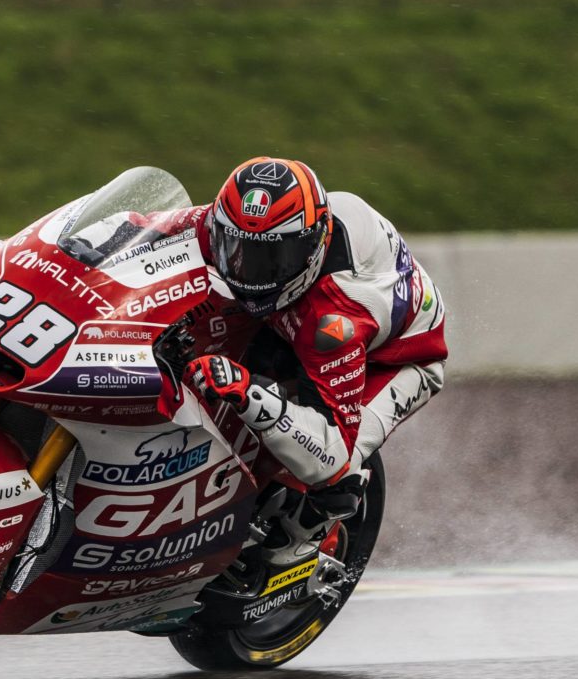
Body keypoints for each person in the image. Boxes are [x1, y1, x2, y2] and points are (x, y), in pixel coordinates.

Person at [179, 157, 448, 563]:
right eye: (238, 249)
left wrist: (248, 392)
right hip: (301, 315)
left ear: (312, 247)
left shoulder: (335, 320)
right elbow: (145, 228)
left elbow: (330, 454)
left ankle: (302, 541)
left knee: (339, 472)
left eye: (274, 259)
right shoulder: (229, 227)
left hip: (395, 359)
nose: (251, 272)